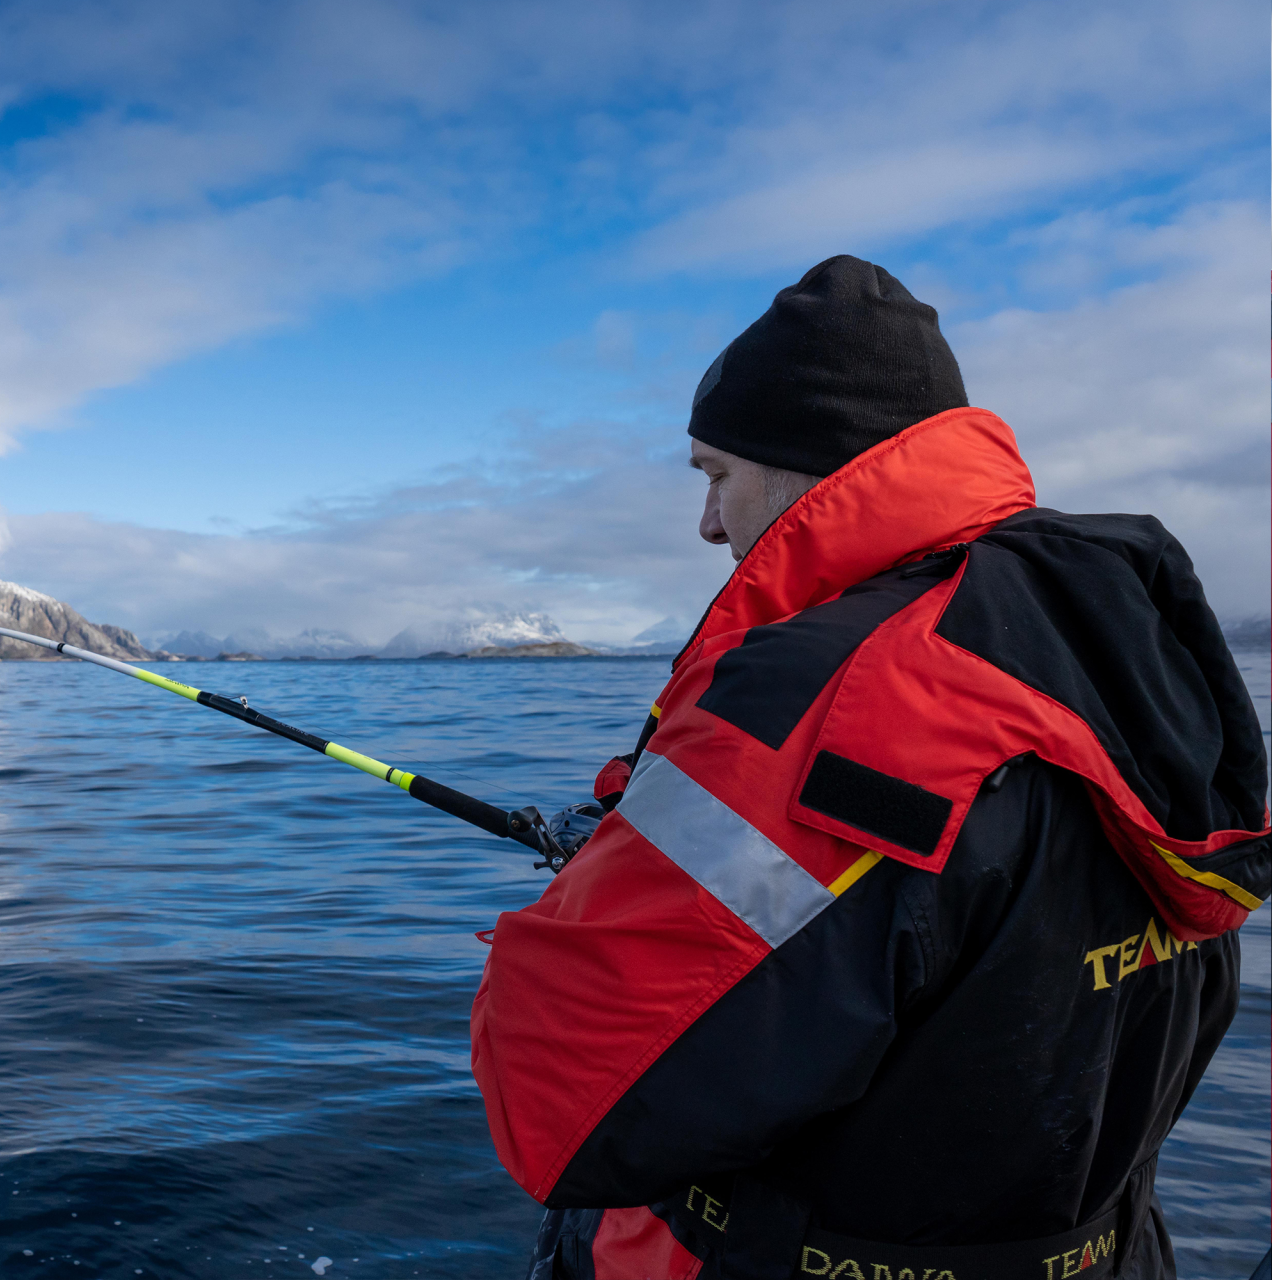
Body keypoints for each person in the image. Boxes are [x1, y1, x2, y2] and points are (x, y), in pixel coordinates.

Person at [470, 256, 1269, 1280]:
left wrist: (599, 889)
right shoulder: (1119, 632)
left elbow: (557, 1105)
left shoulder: (820, 695)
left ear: (813, 464)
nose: (708, 523)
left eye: (717, 475)